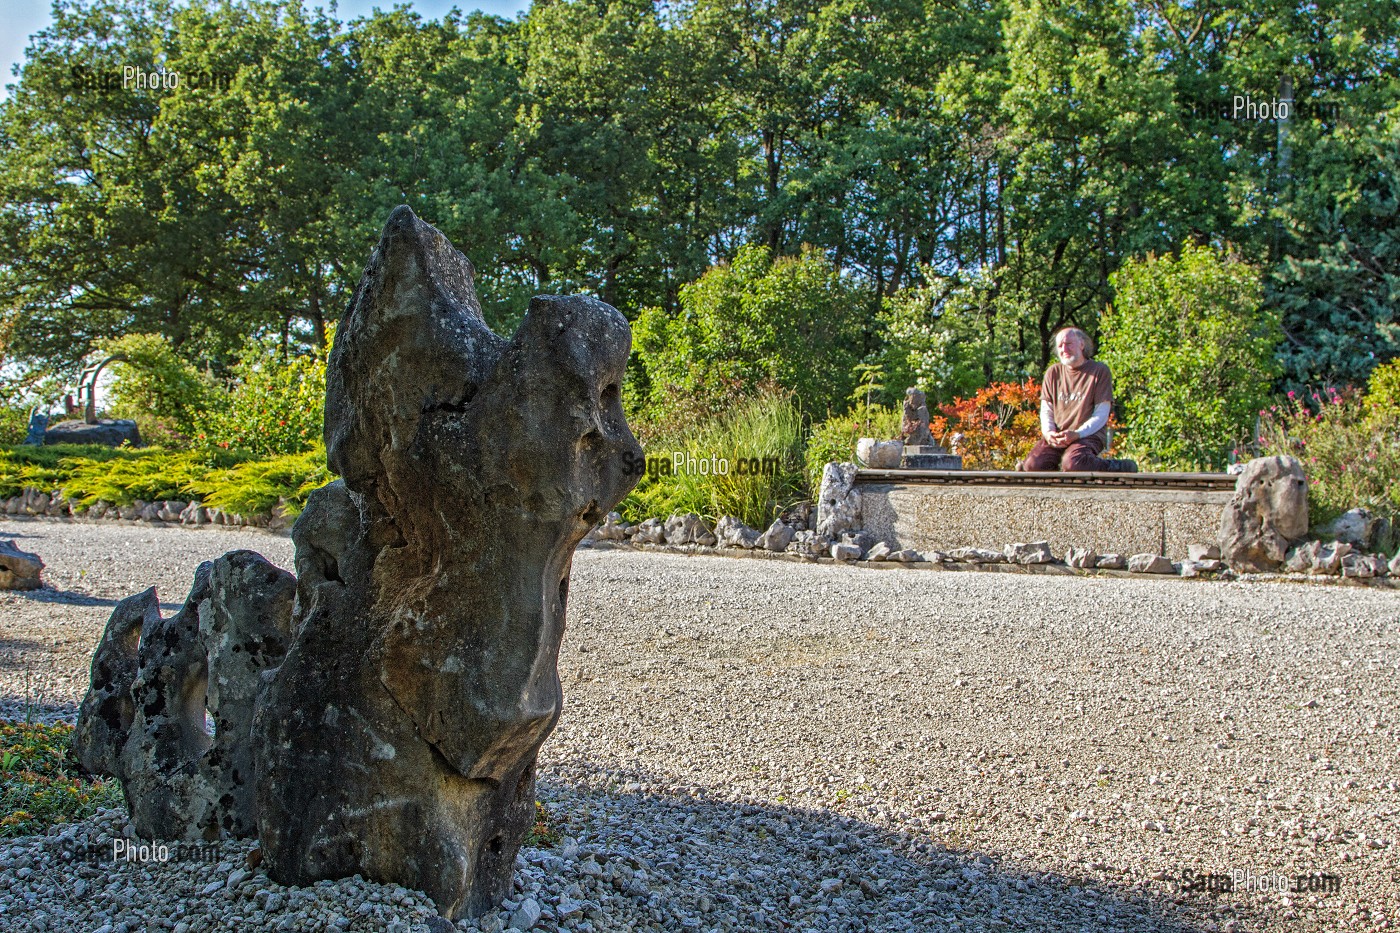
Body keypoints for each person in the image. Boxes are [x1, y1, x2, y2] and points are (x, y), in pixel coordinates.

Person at [1019, 327, 1138, 473]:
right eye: (1060, 346)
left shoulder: (1099, 371)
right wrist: (1049, 433)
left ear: (1082, 345)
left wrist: (1078, 434)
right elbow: (1046, 410)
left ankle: (1117, 466)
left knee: (1073, 464)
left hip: (1089, 435)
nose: (1064, 349)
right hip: (1059, 435)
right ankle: (1058, 472)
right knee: (1033, 465)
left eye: (1068, 344)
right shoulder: (1053, 372)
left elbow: (1101, 414)